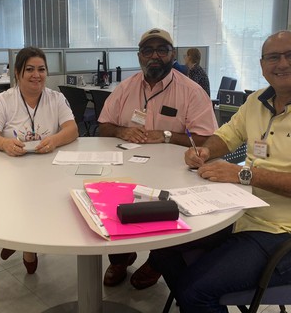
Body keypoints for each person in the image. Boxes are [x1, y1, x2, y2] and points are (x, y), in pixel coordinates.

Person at [149, 30, 291, 312]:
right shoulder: (256, 101)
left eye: (290, 55)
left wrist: (242, 175)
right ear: (262, 65)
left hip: (280, 232)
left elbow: (242, 173)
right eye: (274, 57)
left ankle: (196, 298)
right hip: (239, 213)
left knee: (194, 290)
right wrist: (205, 151)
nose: (283, 64)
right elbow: (226, 136)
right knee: (162, 247)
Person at [98, 27, 218, 288]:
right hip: (127, 168)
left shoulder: (191, 91)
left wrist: (166, 135)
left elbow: (206, 138)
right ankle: (120, 257)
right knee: (112, 203)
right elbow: (103, 125)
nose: (155, 56)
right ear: (139, 56)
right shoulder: (125, 88)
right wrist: (121, 131)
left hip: (173, 173)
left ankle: (157, 262)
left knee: (169, 212)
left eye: (162, 50)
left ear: (173, 54)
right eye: (148, 50)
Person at [0, 46, 79, 274]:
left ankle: (21, 239)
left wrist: (54, 140)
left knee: (53, 196)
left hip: (48, 170)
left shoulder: (56, 98)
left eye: (41, 69)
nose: (37, 75)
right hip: (11, 172)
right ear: (17, 73)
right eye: (30, 69)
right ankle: (22, 240)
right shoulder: (2, 100)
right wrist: (4, 143)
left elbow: (72, 129)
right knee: (25, 196)